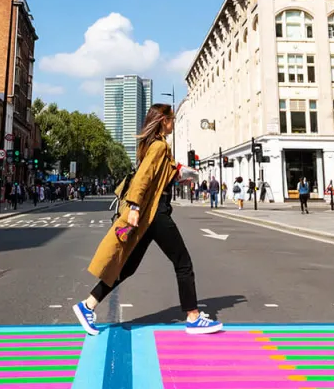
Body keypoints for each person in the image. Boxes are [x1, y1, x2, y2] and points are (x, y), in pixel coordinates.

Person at [74, 104, 223, 336]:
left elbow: (162, 175)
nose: (173, 122)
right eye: (171, 119)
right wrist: (133, 206)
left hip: (149, 215)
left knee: (127, 266)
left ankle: (88, 305)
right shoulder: (159, 146)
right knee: (183, 262)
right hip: (155, 213)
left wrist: (185, 176)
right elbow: (143, 177)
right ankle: (193, 317)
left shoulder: (156, 147)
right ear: (163, 120)